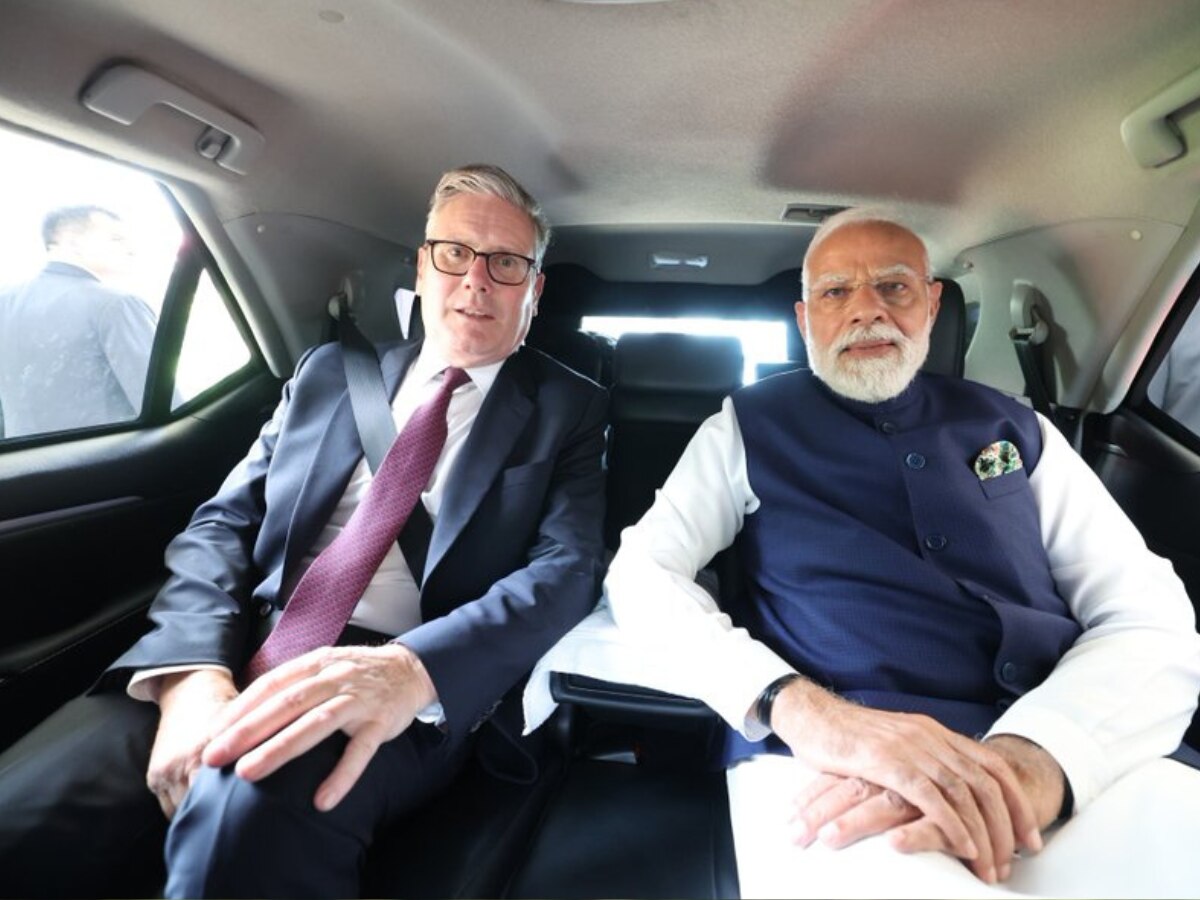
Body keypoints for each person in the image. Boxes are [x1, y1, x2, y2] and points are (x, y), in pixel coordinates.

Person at [0, 164, 608, 898]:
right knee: (22, 811)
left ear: (533, 290)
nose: (476, 281)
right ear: (423, 267)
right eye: (455, 253)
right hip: (240, 642)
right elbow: (222, 523)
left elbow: (566, 571)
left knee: (244, 811)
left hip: (402, 674)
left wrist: (413, 670)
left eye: (506, 263)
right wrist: (194, 673)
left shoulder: (568, 407)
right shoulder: (329, 374)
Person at [561, 211, 1200, 897]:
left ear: (931, 304)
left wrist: (1038, 757)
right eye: (836, 291)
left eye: (893, 287)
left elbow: (1147, 614)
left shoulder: (1018, 427)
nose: (866, 310)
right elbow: (643, 575)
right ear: (805, 319)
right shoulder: (747, 425)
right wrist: (801, 710)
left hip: (1071, 748)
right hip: (833, 769)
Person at [0, 205, 157, 439]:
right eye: (116, 239)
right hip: (110, 454)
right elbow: (160, 401)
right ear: (73, 243)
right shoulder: (115, 304)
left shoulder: (5, 303)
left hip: (24, 457)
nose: (131, 250)